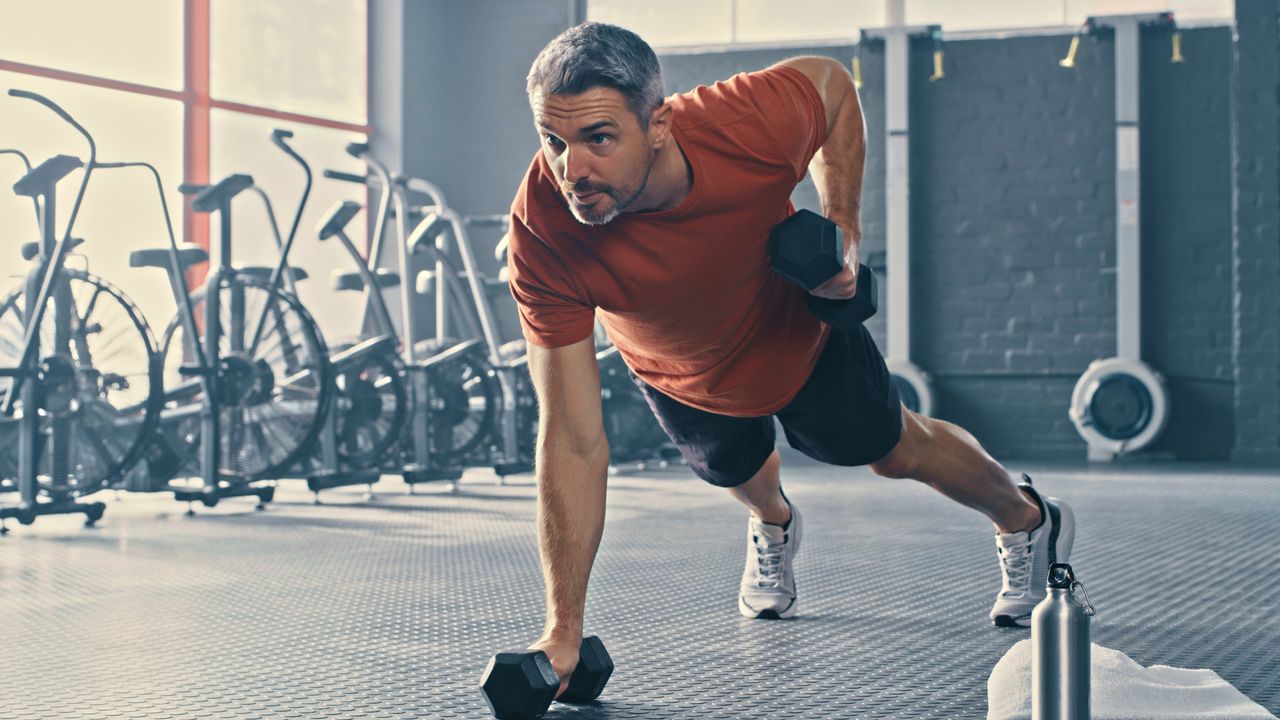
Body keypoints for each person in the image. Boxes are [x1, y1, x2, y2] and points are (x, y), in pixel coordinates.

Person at [506, 21, 1075, 696]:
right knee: (736, 471)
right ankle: (774, 524)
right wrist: (562, 628)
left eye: (598, 138)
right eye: (553, 140)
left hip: (796, 338)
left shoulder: (742, 122)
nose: (572, 169)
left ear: (656, 123)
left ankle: (1027, 518)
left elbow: (832, 88)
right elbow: (571, 438)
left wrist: (844, 225)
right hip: (682, 374)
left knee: (894, 449)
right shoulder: (544, 229)